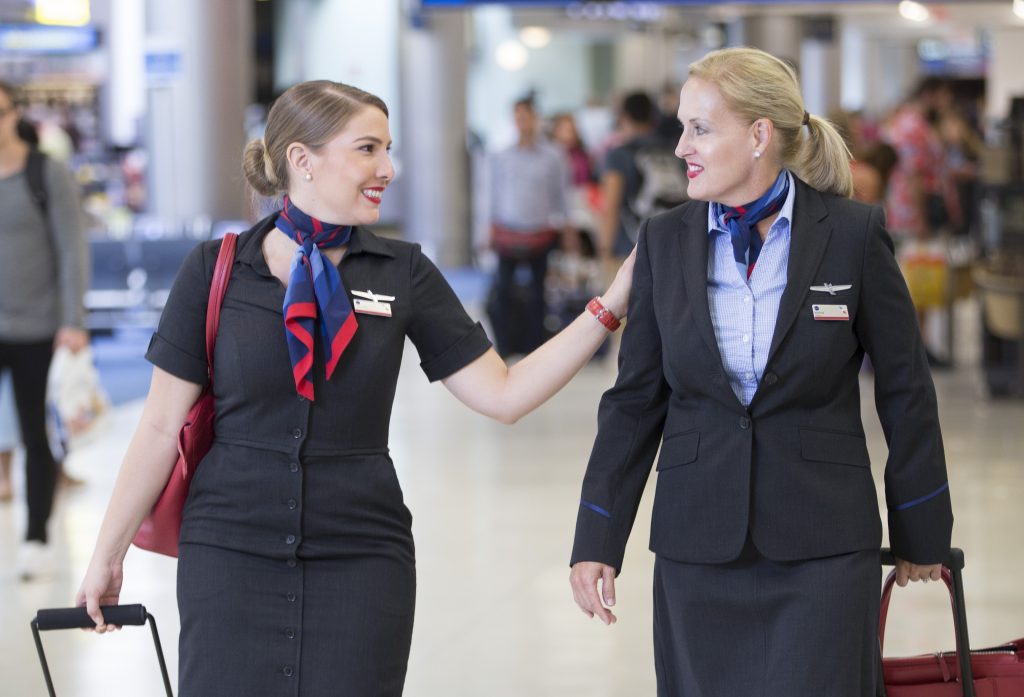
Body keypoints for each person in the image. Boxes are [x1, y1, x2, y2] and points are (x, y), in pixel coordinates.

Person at [77, 80, 635, 697]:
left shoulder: (403, 271)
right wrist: (108, 554)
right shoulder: (216, 269)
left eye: (388, 149)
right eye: (368, 149)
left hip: (361, 553)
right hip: (229, 551)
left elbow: (503, 394)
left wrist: (609, 306)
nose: (387, 169)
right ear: (302, 159)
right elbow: (159, 428)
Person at [568, 47, 952, 697]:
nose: (681, 147)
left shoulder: (852, 234)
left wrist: (923, 527)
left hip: (823, 544)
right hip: (697, 543)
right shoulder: (663, 240)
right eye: (682, 127)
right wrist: (597, 536)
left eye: (700, 129)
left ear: (759, 136)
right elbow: (634, 401)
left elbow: (905, 388)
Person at [0, 81, 90, 579]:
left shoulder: (44, 172)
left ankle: (36, 536)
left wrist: (73, 320)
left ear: (14, 113)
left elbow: (71, 248)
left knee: (37, 435)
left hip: (37, 327)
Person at [488, 98, 572, 356]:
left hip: (540, 233)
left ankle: (537, 346)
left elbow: (561, 194)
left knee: (539, 293)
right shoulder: (502, 156)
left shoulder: (553, 156)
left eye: (526, 117)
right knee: (503, 291)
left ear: (535, 119)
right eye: (518, 118)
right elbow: (492, 194)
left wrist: (567, 229)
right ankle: (504, 346)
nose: (522, 123)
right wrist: (488, 228)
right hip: (508, 232)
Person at [597, 92, 687, 269]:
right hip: (675, 243)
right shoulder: (675, 150)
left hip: (632, 249)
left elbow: (611, 206)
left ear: (624, 117)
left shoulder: (619, 155)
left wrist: (604, 250)